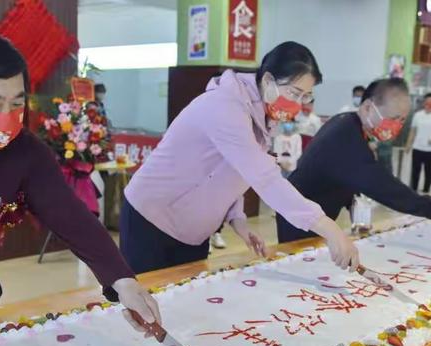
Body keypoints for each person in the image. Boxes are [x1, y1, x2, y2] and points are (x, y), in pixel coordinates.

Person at [0, 31, 160, 331]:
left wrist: (123, 280)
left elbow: (70, 216)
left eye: (16, 104)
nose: (6, 117)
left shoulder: (24, 153)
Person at [120, 41, 359, 275]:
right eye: (294, 93)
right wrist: (329, 228)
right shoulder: (225, 106)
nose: (297, 104)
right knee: (141, 302)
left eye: (305, 97)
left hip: (193, 229)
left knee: (182, 302)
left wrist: (238, 220)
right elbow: (264, 178)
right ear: (268, 80)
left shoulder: (264, 116)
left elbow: (231, 169)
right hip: (151, 217)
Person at [277, 78, 431, 243]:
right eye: (392, 118)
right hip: (300, 220)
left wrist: (354, 207)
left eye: (401, 120)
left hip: (314, 216)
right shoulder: (346, 137)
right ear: (367, 108)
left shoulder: (347, 122)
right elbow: (385, 188)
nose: (396, 126)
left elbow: (344, 175)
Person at [406, 93, 431, 193]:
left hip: (429, 150)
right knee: (415, 170)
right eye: (427, 101)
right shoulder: (417, 115)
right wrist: (408, 145)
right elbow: (413, 131)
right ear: (424, 102)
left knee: (428, 172)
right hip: (417, 148)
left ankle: (425, 191)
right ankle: (413, 190)